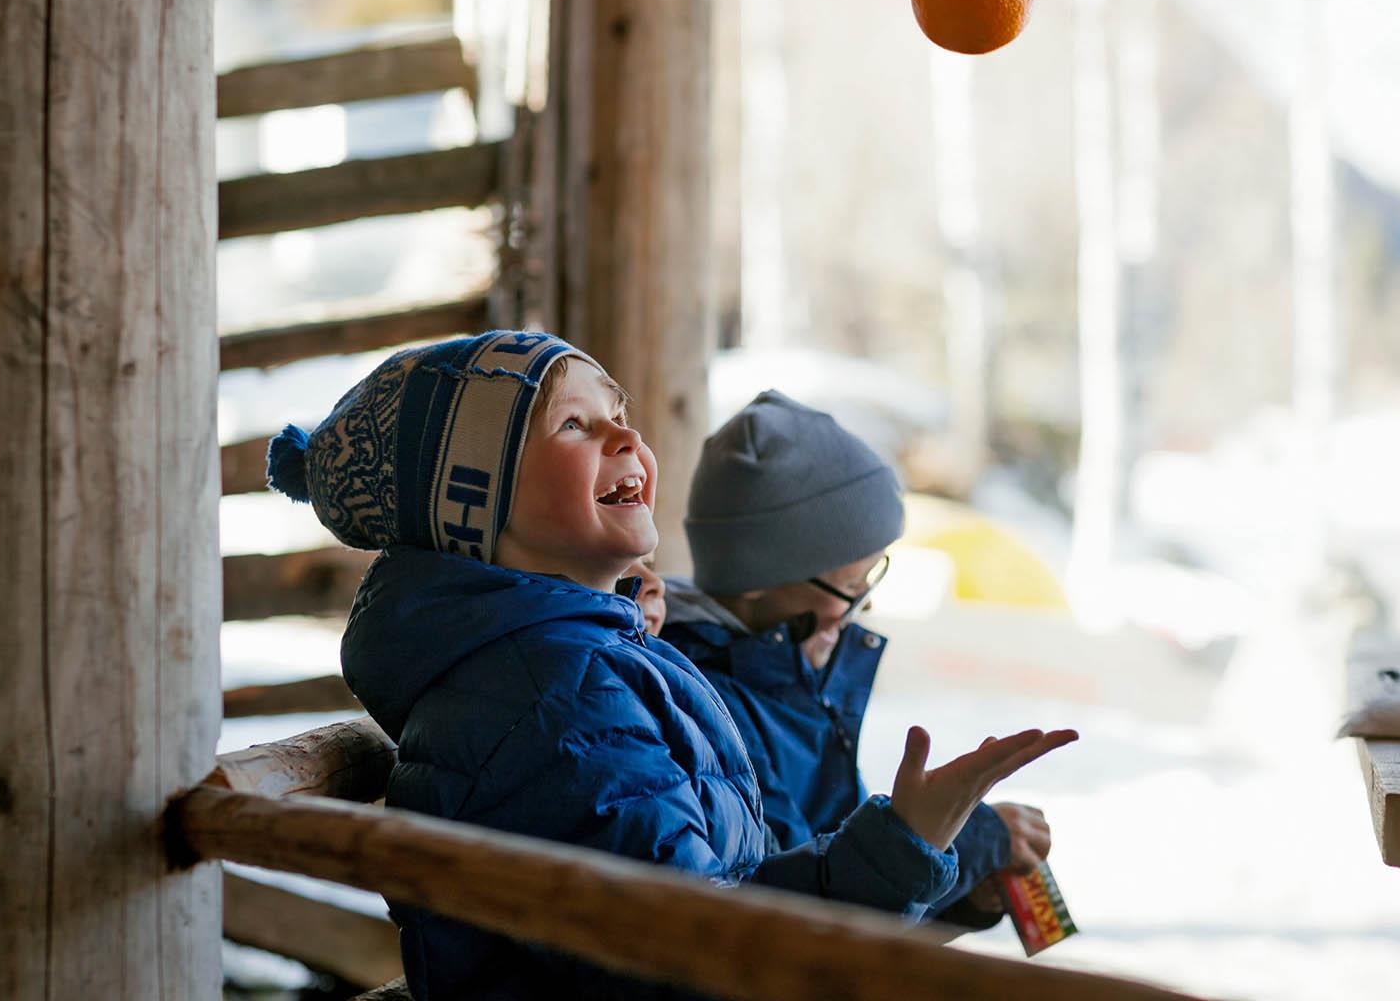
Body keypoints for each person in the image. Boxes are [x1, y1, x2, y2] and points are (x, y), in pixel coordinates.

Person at [263, 333, 1074, 1000]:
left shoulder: (591, 663)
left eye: (621, 416)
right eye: (573, 426)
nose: (627, 439)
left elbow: (733, 881)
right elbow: (681, 956)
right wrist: (914, 846)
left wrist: (928, 855)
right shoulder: (552, 700)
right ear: (476, 503)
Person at [660, 390, 1053, 928]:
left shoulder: (789, 671)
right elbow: (804, 908)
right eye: (849, 586)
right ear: (754, 576)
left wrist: (961, 891)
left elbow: (846, 864)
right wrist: (972, 842)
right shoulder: (711, 694)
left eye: (872, 579)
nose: (859, 608)